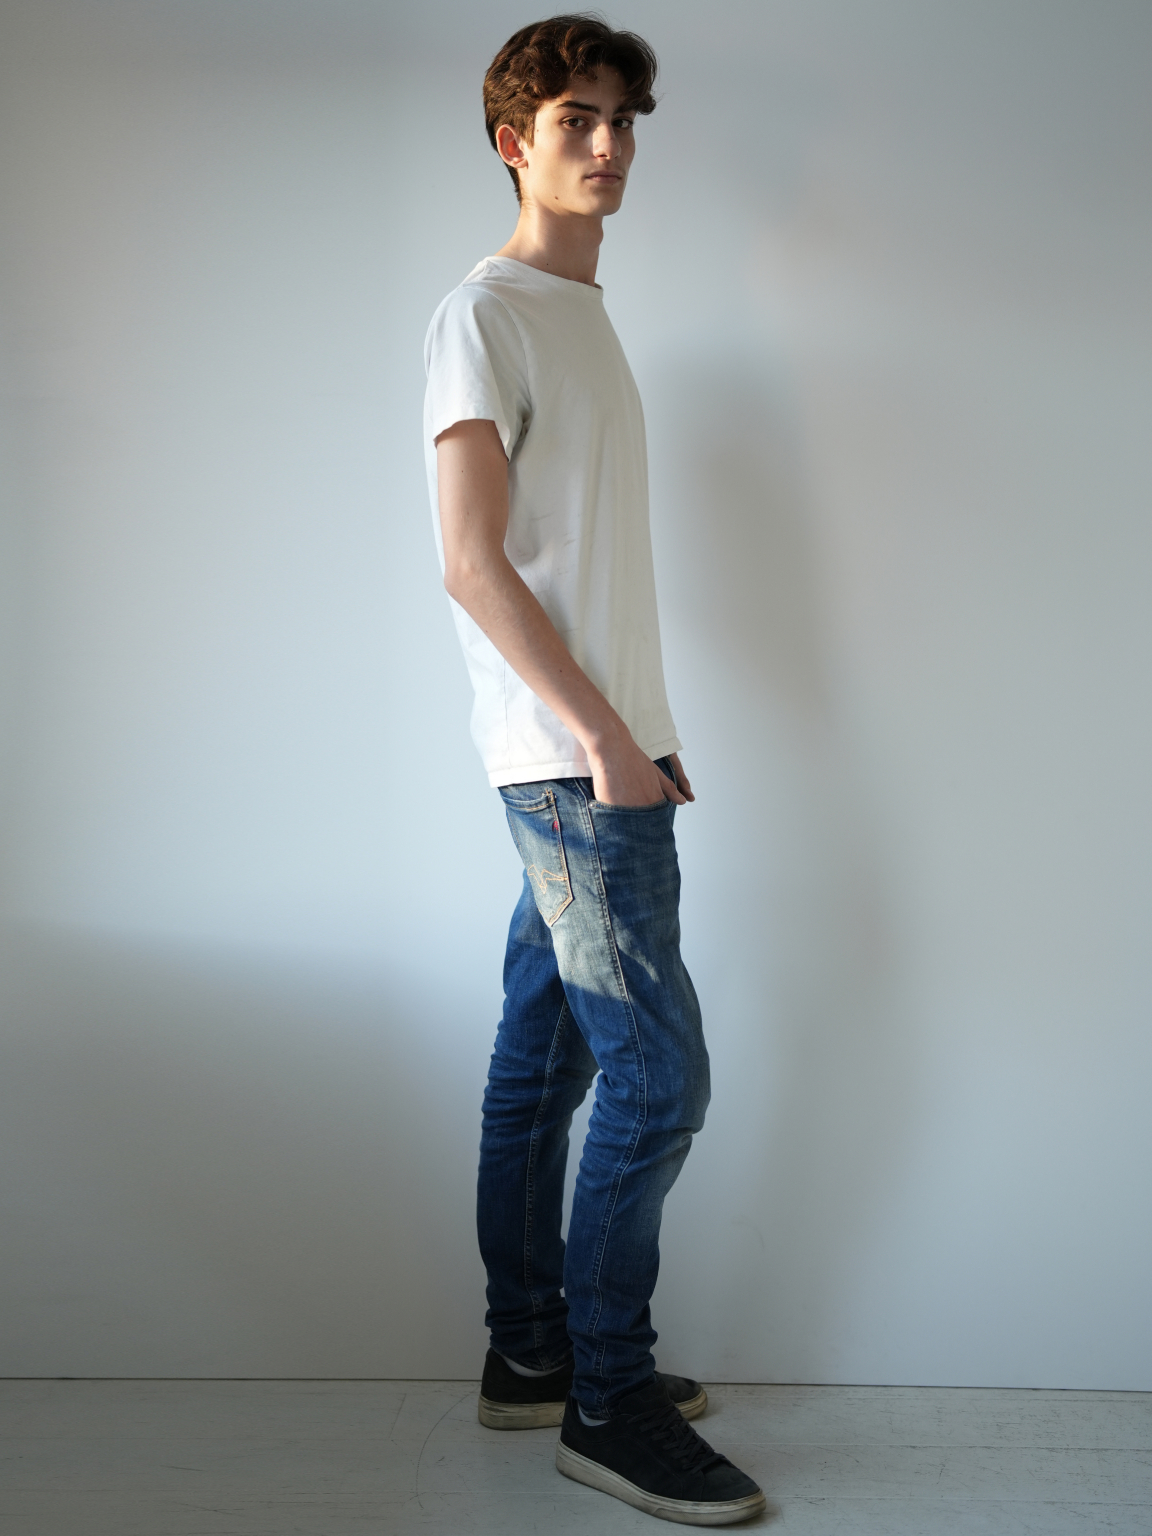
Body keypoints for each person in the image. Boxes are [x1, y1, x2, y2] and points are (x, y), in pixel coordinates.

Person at [422, 14, 765, 1526]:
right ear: (516, 141)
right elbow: (471, 561)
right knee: (659, 1077)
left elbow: (584, 565)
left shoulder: (583, 314)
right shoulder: (485, 313)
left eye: (623, 119)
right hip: (574, 765)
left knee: (548, 1059)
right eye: (575, 119)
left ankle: (530, 1358)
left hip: (602, 750)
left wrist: (647, 728)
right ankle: (608, 1406)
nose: (608, 145)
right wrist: (606, 739)